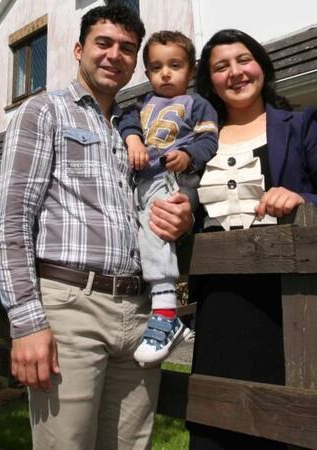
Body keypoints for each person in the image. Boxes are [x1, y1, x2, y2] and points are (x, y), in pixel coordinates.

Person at [0, 4, 193, 449]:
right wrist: (25, 323)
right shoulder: (43, 112)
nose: (114, 55)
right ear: (79, 48)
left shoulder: (138, 127)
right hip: (70, 308)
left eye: (126, 48)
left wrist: (181, 215)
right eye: (104, 43)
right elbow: (11, 220)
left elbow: (155, 206)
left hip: (139, 314)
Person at [187, 29, 317, 450]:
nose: (235, 72)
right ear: (209, 81)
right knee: (225, 426)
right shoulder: (198, 141)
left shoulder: (300, 125)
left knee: (312, 425)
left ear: (261, 67)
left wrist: (301, 198)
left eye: (243, 59)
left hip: (297, 301)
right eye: (221, 66)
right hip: (223, 306)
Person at [118, 30, 218, 366]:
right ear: (147, 74)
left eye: (174, 65)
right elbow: (126, 123)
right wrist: (132, 141)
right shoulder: (141, 104)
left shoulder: (198, 104)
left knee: (157, 229)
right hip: (139, 182)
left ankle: (166, 312)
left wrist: (189, 155)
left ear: (190, 70)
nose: (165, 73)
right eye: (157, 67)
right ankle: (151, 309)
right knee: (136, 236)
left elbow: (208, 142)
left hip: (172, 178)